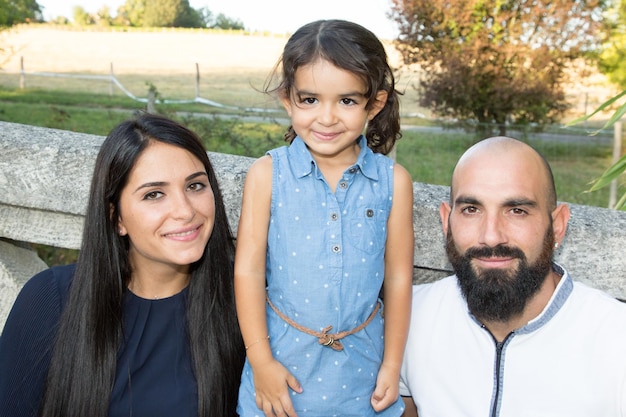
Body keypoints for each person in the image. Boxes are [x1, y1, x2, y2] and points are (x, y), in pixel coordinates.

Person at [0, 113, 245, 417]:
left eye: (195, 186)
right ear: (116, 218)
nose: (184, 211)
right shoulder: (51, 299)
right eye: (154, 194)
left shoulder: (243, 306)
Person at [234, 19, 414, 417]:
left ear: (375, 103)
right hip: (281, 368)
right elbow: (247, 271)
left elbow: (399, 278)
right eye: (310, 100)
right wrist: (261, 362)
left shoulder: (393, 182)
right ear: (287, 98)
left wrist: (392, 364)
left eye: (347, 101)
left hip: (362, 374)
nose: (327, 118)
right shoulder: (267, 175)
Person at [399, 136, 626, 417]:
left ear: (558, 225)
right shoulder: (408, 318)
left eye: (517, 211)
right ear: (447, 221)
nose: (491, 235)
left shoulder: (617, 341)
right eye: (471, 210)